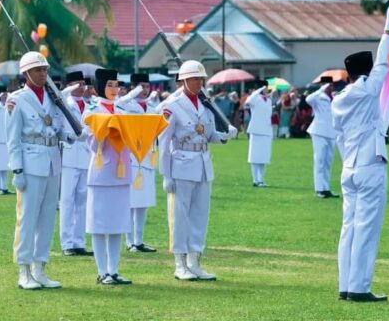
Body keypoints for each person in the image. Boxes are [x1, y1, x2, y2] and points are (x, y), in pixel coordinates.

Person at [331, 2, 389, 302]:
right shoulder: (367, 90)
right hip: (369, 165)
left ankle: (346, 285)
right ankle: (359, 288)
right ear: (365, 73)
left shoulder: (339, 98)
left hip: (349, 167)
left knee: (349, 228)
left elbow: (339, 137)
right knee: (366, 229)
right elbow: (385, 63)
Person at [159, 60, 237, 281]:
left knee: (200, 215)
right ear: (183, 80)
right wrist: (166, 174)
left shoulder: (205, 104)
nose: (198, 82)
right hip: (181, 164)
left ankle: (194, 261)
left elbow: (208, 134)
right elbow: (164, 143)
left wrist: (224, 135)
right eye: (194, 78)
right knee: (179, 216)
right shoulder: (171, 105)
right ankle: (179, 263)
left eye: (201, 79)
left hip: (203, 164)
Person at [7, 51, 72, 290]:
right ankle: (24, 270)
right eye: (38, 70)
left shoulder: (53, 97)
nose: (43, 74)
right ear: (26, 73)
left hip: (53, 160)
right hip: (31, 161)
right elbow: (12, 138)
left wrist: (70, 134)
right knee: (27, 218)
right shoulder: (17, 99)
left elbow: (56, 127)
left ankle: (40, 267)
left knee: (47, 217)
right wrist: (17, 170)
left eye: (45, 70)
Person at [83, 68, 135, 285]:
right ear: (98, 88)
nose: (114, 90)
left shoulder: (124, 111)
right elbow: (91, 144)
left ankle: (114, 270)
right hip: (101, 171)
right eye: (109, 85)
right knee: (99, 223)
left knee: (118, 223)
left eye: (116, 85)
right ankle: (102, 270)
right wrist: (105, 131)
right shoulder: (91, 112)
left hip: (121, 171)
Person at [116, 73, 158, 253]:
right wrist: (133, 94)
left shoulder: (152, 107)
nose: (145, 90)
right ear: (133, 87)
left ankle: (139, 240)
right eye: (141, 86)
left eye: (147, 87)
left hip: (148, 158)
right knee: (130, 202)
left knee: (143, 202)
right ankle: (129, 241)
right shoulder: (126, 105)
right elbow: (117, 105)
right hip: (131, 158)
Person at [59, 71, 93, 256]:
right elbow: (59, 98)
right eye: (77, 84)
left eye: (83, 83)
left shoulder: (88, 105)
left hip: (85, 156)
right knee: (67, 201)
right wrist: (68, 89)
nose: (82, 87)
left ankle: (79, 242)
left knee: (82, 201)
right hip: (69, 156)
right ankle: (67, 243)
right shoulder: (64, 103)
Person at [306, 77, 340, 198]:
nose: (331, 87)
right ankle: (319, 189)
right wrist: (321, 89)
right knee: (320, 160)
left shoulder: (334, 98)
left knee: (328, 162)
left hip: (331, 132)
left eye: (331, 85)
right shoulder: (318, 97)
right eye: (328, 85)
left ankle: (326, 188)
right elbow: (308, 99)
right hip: (319, 131)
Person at [246, 82, 273, 187]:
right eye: (265, 88)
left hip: (266, 131)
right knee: (255, 157)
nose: (266, 90)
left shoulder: (269, 101)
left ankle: (261, 179)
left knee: (264, 157)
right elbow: (248, 100)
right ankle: (255, 179)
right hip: (256, 131)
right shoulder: (255, 99)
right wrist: (258, 90)